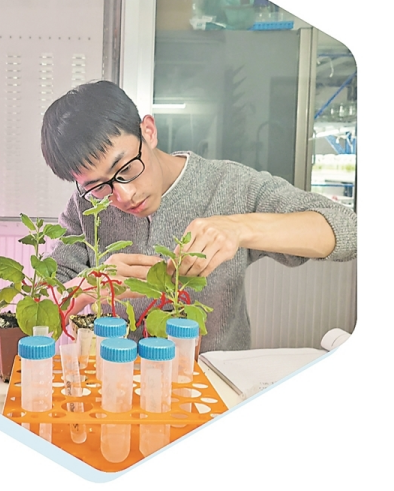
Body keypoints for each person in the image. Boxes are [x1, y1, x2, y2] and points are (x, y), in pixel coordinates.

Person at [40, 81, 357, 352]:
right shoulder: (86, 206)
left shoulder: (229, 185)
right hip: (116, 379)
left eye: (125, 168)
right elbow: (42, 308)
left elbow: (349, 230)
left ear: (148, 132)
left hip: (213, 381)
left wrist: (238, 228)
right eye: (98, 186)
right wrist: (84, 288)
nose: (124, 195)